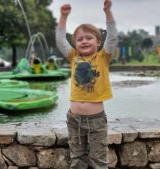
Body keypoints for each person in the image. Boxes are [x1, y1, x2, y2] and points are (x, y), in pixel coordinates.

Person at [56, 0, 118, 168]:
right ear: (75, 43)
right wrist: (63, 17)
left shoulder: (102, 57)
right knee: (77, 158)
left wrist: (108, 12)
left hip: (96, 120)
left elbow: (112, 36)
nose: (84, 41)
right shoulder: (73, 57)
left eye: (89, 38)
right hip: (74, 119)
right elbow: (61, 39)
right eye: (80, 39)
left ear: (98, 42)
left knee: (98, 160)